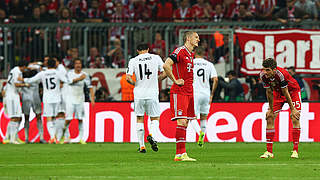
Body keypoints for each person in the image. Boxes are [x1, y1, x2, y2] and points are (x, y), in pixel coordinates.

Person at [163, 31, 200, 161]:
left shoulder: (191, 54)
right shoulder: (180, 51)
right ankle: (179, 154)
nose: (198, 40)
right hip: (180, 91)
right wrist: (175, 80)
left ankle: (182, 153)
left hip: (189, 91)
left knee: (186, 123)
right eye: (196, 37)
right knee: (182, 121)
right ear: (188, 38)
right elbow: (166, 65)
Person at [126, 43, 166, 153]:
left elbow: (128, 78)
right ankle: (152, 135)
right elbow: (165, 72)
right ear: (148, 49)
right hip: (152, 93)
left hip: (139, 93)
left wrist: (136, 84)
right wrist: (156, 79)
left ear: (138, 51)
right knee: (154, 118)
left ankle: (142, 146)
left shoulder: (133, 60)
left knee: (140, 118)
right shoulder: (156, 58)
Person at [259, 58, 301, 159]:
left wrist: (293, 109)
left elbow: (286, 91)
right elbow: (269, 92)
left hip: (292, 92)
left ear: (274, 69)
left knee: (294, 117)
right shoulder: (263, 75)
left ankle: (295, 150)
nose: (265, 72)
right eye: (264, 69)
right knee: (269, 117)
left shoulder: (281, 74)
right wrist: (271, 109)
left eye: (268, 70)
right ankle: (269, 152)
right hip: (277, 94)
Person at [21, 58, 69, 144]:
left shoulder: (42, 73)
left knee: (49, 118)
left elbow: (32, 80)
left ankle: (52, 137)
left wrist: (23, 80)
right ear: (55, 65)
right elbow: (67, 81)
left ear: (47, 65)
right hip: (57, 97)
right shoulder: (58, 73)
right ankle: (57, 137)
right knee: (55, 117)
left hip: (47, 98)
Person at [60, 58, 95, 144]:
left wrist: (92, 99)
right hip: (70, 99)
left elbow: (90, 87)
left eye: (79, 63)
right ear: (74, 65)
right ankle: (64, 135)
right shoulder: (70, 73)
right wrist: (80, 78)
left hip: (80, 99)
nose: (78, 65)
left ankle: (81, 139)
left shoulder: (85, 75)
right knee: (68, 118)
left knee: (80, 119)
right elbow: (70, 82)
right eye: (76, 63)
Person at [189, 46, 218, 147]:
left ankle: (199, 133)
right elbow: (215, 79)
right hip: (206, 93)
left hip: (195, 93)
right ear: (204, 54)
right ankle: (203, 138)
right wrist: (212, 94)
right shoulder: (209, 64)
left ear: (194, 53)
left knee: (191, 117)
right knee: (203, 117)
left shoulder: (191, 63)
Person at [2, 60, 29, 144]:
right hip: (12, 96)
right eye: (26, 68)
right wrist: (25, 84)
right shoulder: (17, 71)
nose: (26, 69)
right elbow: (16, 84)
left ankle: (8, 137)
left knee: (17, 117)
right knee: (15, 117)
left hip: (11, 95)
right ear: (23, 66)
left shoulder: (14, 70)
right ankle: (12, 139)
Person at [21, 63, 45, 143]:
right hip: (35, 99)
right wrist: (35, 65)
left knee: (27, 118)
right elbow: (41, 70)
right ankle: (41, 137)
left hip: (26, 99)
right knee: (38, 117)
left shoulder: (22, 79)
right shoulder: (37, 80)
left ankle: (27, 138)